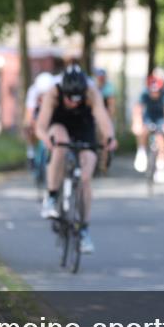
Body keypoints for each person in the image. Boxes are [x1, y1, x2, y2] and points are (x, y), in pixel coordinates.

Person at [35, 65, 117, 254]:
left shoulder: (91, 92)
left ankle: (84, 229)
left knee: (86, 175)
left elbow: (103, 119)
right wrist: (46, 139)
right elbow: (40, 125)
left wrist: (110, 138)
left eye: (77, 99)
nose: (73, 103)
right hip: (59, 124)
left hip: (83, 126)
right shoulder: (53, 93)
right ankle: (52, 195)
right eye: (69, 99)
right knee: (60, 144)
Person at [131, 74, 164, 184]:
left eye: (156, 91)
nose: (154, 93)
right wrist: (137, 123)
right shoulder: (144, 94)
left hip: (161, 119)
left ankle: (161, 168)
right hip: (149, 117)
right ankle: (141, 152)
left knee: (161, 141)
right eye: (152, 91)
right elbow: (138, 110)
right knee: (143, 131)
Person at [93, 68, 117, 174]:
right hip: (93, 116)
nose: (100, 79)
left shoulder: (108, 88)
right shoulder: (92, 87)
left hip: (104, 116)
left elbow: (111, 106)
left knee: (105, 140)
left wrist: (107, 120)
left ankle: (103, 165)